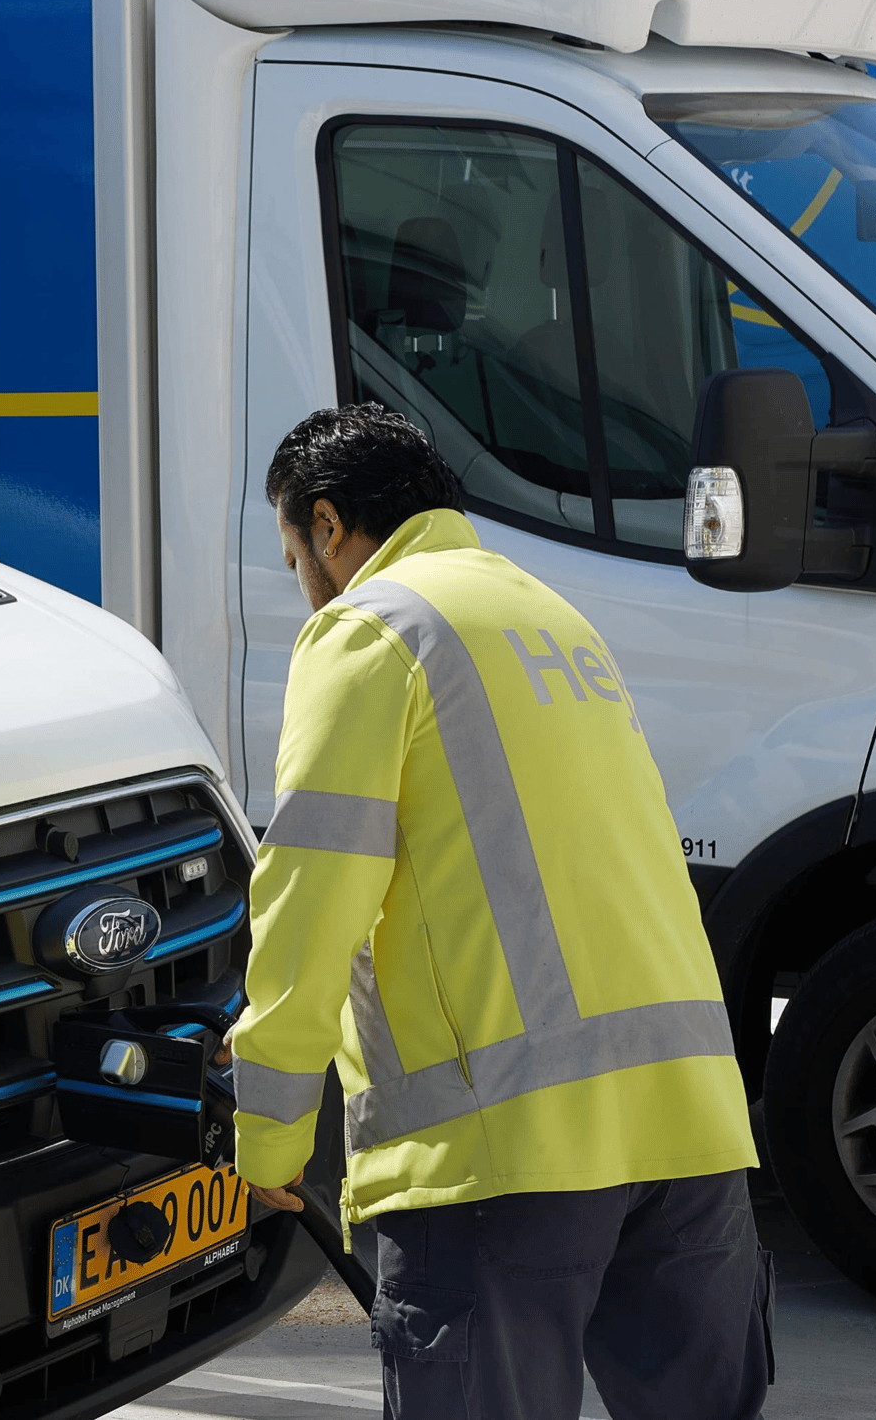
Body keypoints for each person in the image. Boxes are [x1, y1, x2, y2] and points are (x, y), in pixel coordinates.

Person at [229, 403, 773, 1420]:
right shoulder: (547, 618)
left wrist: (268, 1131)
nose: (300, 583)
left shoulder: (370, 629)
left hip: (499, 1158)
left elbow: (311, 897)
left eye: (291, 551)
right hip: (688, 1133)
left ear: (329, 525)